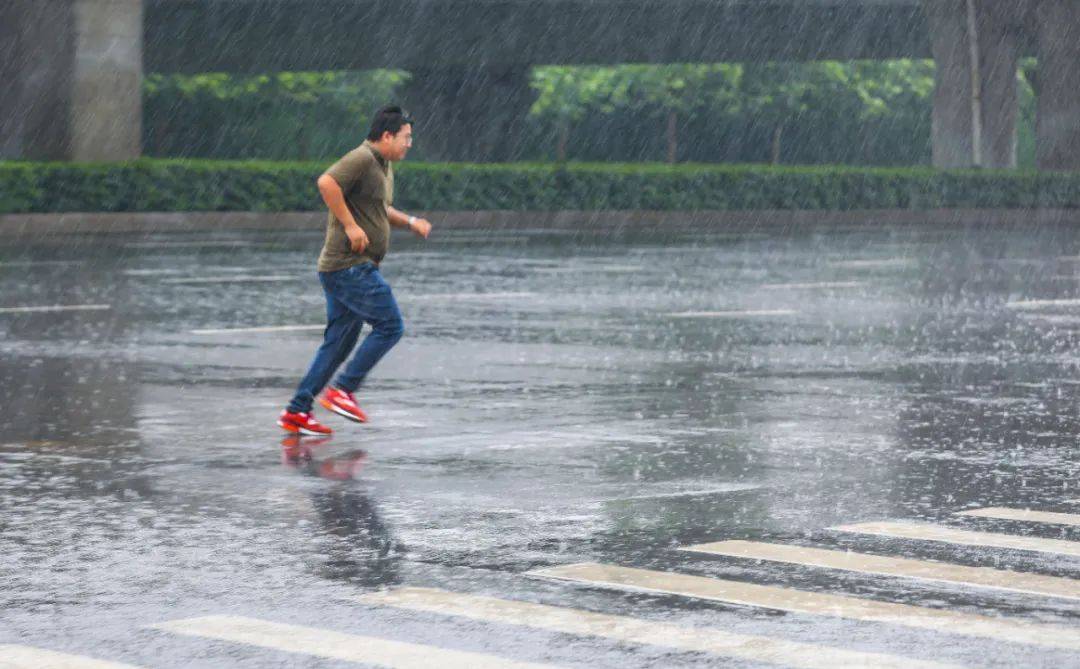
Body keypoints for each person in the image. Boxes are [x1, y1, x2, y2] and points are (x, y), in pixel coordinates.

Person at [278, 106, 432, 435]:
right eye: (406, 138)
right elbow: (327, 183)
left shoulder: (383, 166)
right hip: (350, 266)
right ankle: (343, 390)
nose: (409, 144)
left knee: (338, 344)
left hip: (345, 269)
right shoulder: (362, 158)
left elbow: (379, 208)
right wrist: (350, 226)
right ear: (387, 136)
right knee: (390, 325)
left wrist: (410, 221)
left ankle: (297, 411)